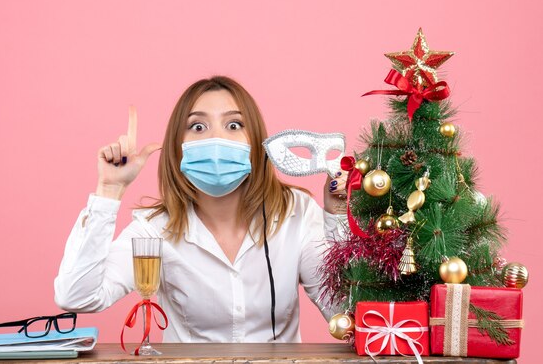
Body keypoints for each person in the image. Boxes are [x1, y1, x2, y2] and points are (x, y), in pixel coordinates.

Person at [54, 76, 350, 343]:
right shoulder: (154, 228)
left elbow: (345, 313)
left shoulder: (296, 212)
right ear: (178, 145)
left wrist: (336, 216)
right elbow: (78, 297)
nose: (216, 139)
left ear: (258, 143)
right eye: (198, 126)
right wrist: (109, 191)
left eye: (234, 125)